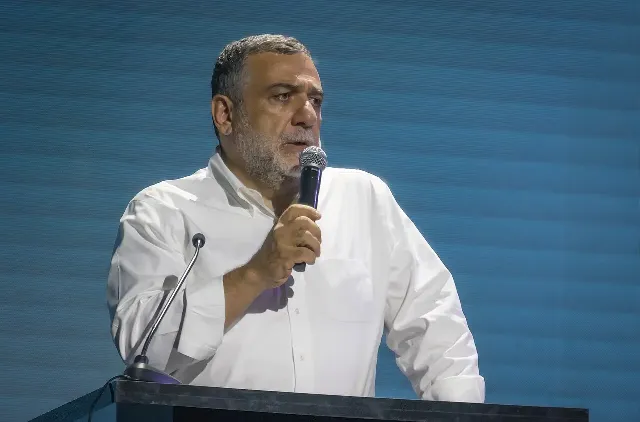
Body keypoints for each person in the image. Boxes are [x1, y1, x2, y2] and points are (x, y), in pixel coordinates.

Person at [107, 34, 484, 402]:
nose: (307, 117)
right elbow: (144, 351)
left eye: (315, 101)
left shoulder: (363, 198)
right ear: (225, 114)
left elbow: (436, 326)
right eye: (282, 96)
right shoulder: (164, 211)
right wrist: (254, 274)